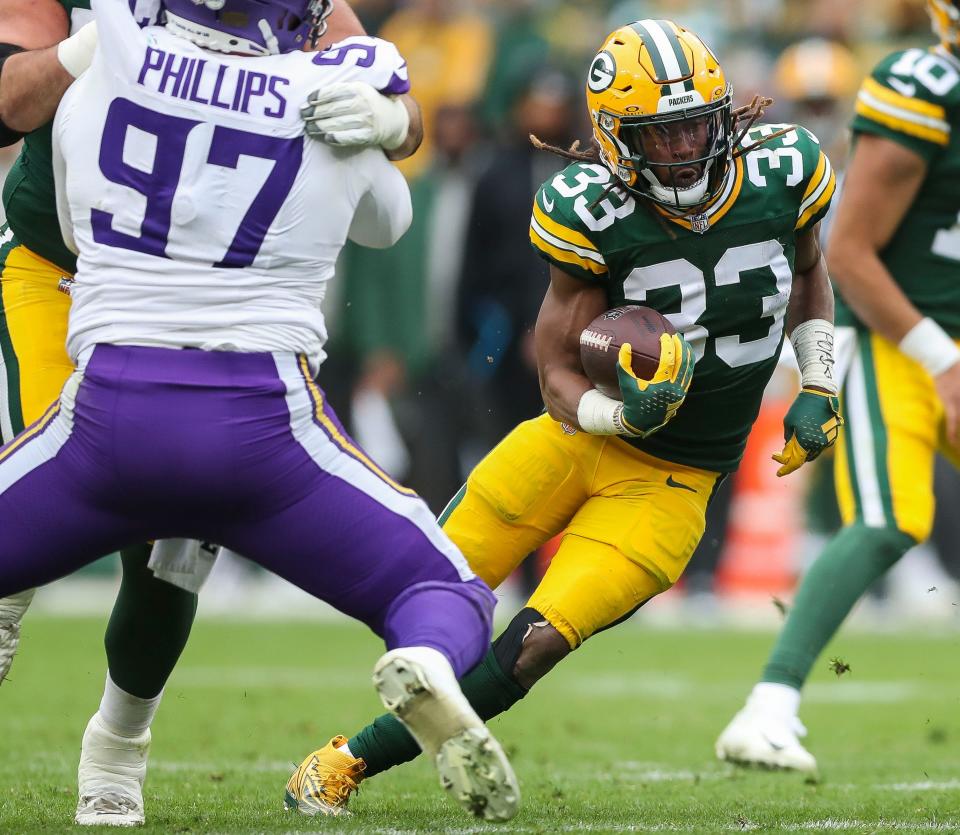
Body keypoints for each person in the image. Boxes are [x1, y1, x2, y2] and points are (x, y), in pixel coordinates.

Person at [282, 18, 842, 816]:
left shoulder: (785, 171)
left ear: (725, 116)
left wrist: (819, 381)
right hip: (577, 438)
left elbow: (811, 271)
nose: (684, 150)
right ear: (615, 139)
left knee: (537, 641)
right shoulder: (591, 208)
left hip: (673, 481)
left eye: (694, 127)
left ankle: (344, 761)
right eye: (661, 135)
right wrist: (622, 411)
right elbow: (551, 369)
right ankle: (433, 680)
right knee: (433, 592)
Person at [0, 0, 519, 824]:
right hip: (264, 430)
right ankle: (422, 651)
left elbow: (74, 217)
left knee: (117, 537)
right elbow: (391, 220)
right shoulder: (328, 85)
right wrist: (375, 123)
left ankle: (109, 739)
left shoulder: (109, 64)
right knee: (444, 585)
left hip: (111, 410)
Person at [717, 0, 960, 775]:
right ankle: (769, 706)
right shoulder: (924, 87)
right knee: (890, 518)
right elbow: (849, 252)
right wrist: (942, 359)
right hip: (897, 334)